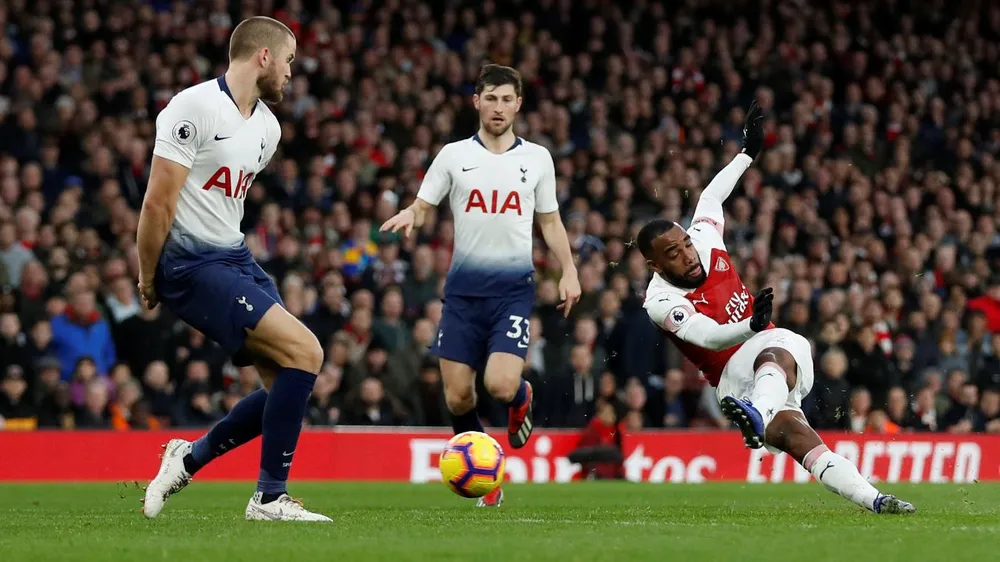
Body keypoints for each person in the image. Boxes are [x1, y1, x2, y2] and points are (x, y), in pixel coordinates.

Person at [638, 101, 915, 515]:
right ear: (655, 264)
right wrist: (750, 325)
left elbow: (713, 195)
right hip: (733, 378)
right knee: (788, 390)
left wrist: (747, 154)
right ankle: (763, 415)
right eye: (673, 254)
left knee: (791, 396)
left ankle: (870, 496)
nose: (688, 255)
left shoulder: (705, 238)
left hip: (760, 372)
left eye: (685, 244)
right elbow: (709, 336)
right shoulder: (660, 300)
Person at [137, 17, 330, 523]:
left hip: (234, 257)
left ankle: (189, 458)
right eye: (288, 60)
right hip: (189, 264)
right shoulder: (192, 107)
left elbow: (224, 200)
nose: (292, 71)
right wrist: (148, 275)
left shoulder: (269, 127)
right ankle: (268, 498)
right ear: (263, 56)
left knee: (285, 382)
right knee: (307, 350)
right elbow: (158, 203)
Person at [380, 64, 581, 507]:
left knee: (502, 387)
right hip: (463, 295)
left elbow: (549, 221)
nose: (498, 107)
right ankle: (486, 481)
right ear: (476, 101)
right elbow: (424, 202)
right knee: (457, 396)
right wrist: (412, 214)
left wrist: (569, 270)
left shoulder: (537, 159)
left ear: (519, 104)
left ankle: (522, 395)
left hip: (512, 292)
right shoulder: (453, 155)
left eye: (507, 99)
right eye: (490, 97)